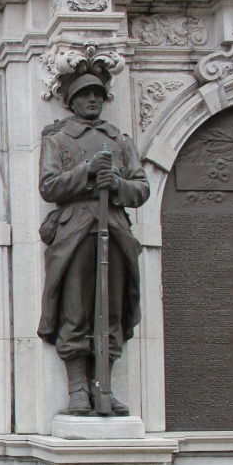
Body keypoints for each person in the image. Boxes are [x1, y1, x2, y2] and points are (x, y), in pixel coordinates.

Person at [38, 73, 148, 415]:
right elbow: (49, 187)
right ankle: (77, 391)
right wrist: (86, 171)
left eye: (97, 95)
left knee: (111, 310)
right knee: (76, 309)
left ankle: (104, 386)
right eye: (85, 95)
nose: (92, 100)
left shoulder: (121, 141)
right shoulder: (57, 140)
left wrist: (115, 183)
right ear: (71, 101)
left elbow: (141, 189)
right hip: (74, 232)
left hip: (113, 228)